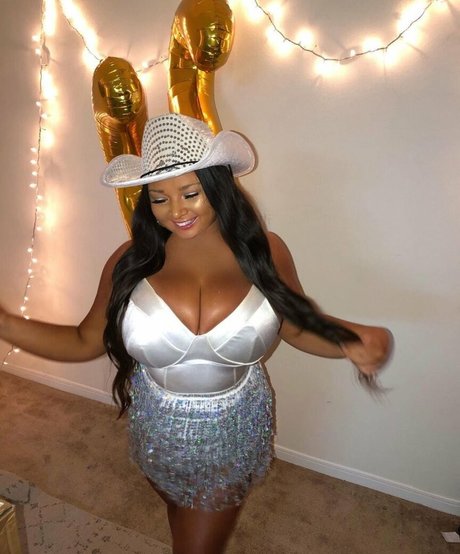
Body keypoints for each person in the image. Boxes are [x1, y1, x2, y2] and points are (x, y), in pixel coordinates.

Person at [0, 113, 392, 553]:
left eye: (190, 193)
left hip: (233, 429)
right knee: (179, 508)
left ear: (218, 186)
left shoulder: (266, 250)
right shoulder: (130, 261)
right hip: (156, 428)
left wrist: (349, 341)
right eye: (159, 199)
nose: (177, 212)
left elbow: (297, 328)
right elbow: (82, 341)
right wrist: (7, 324)